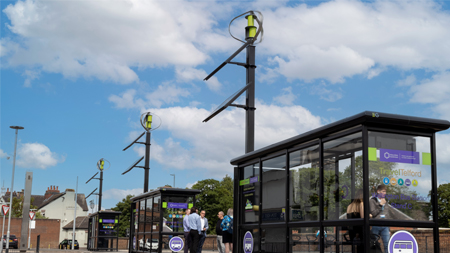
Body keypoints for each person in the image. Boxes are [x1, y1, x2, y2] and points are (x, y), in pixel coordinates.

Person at [370, 185, 390, 253]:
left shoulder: (386, 202)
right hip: (376, 225)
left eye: (385, 191)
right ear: (378, 191)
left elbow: (387, 215)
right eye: (383, 191)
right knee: (374, 243)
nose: (385, 193)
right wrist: (380, 205)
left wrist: (389, 228)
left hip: (385, 226)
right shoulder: (372, 201)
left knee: (387, 244)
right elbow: (373, 213)